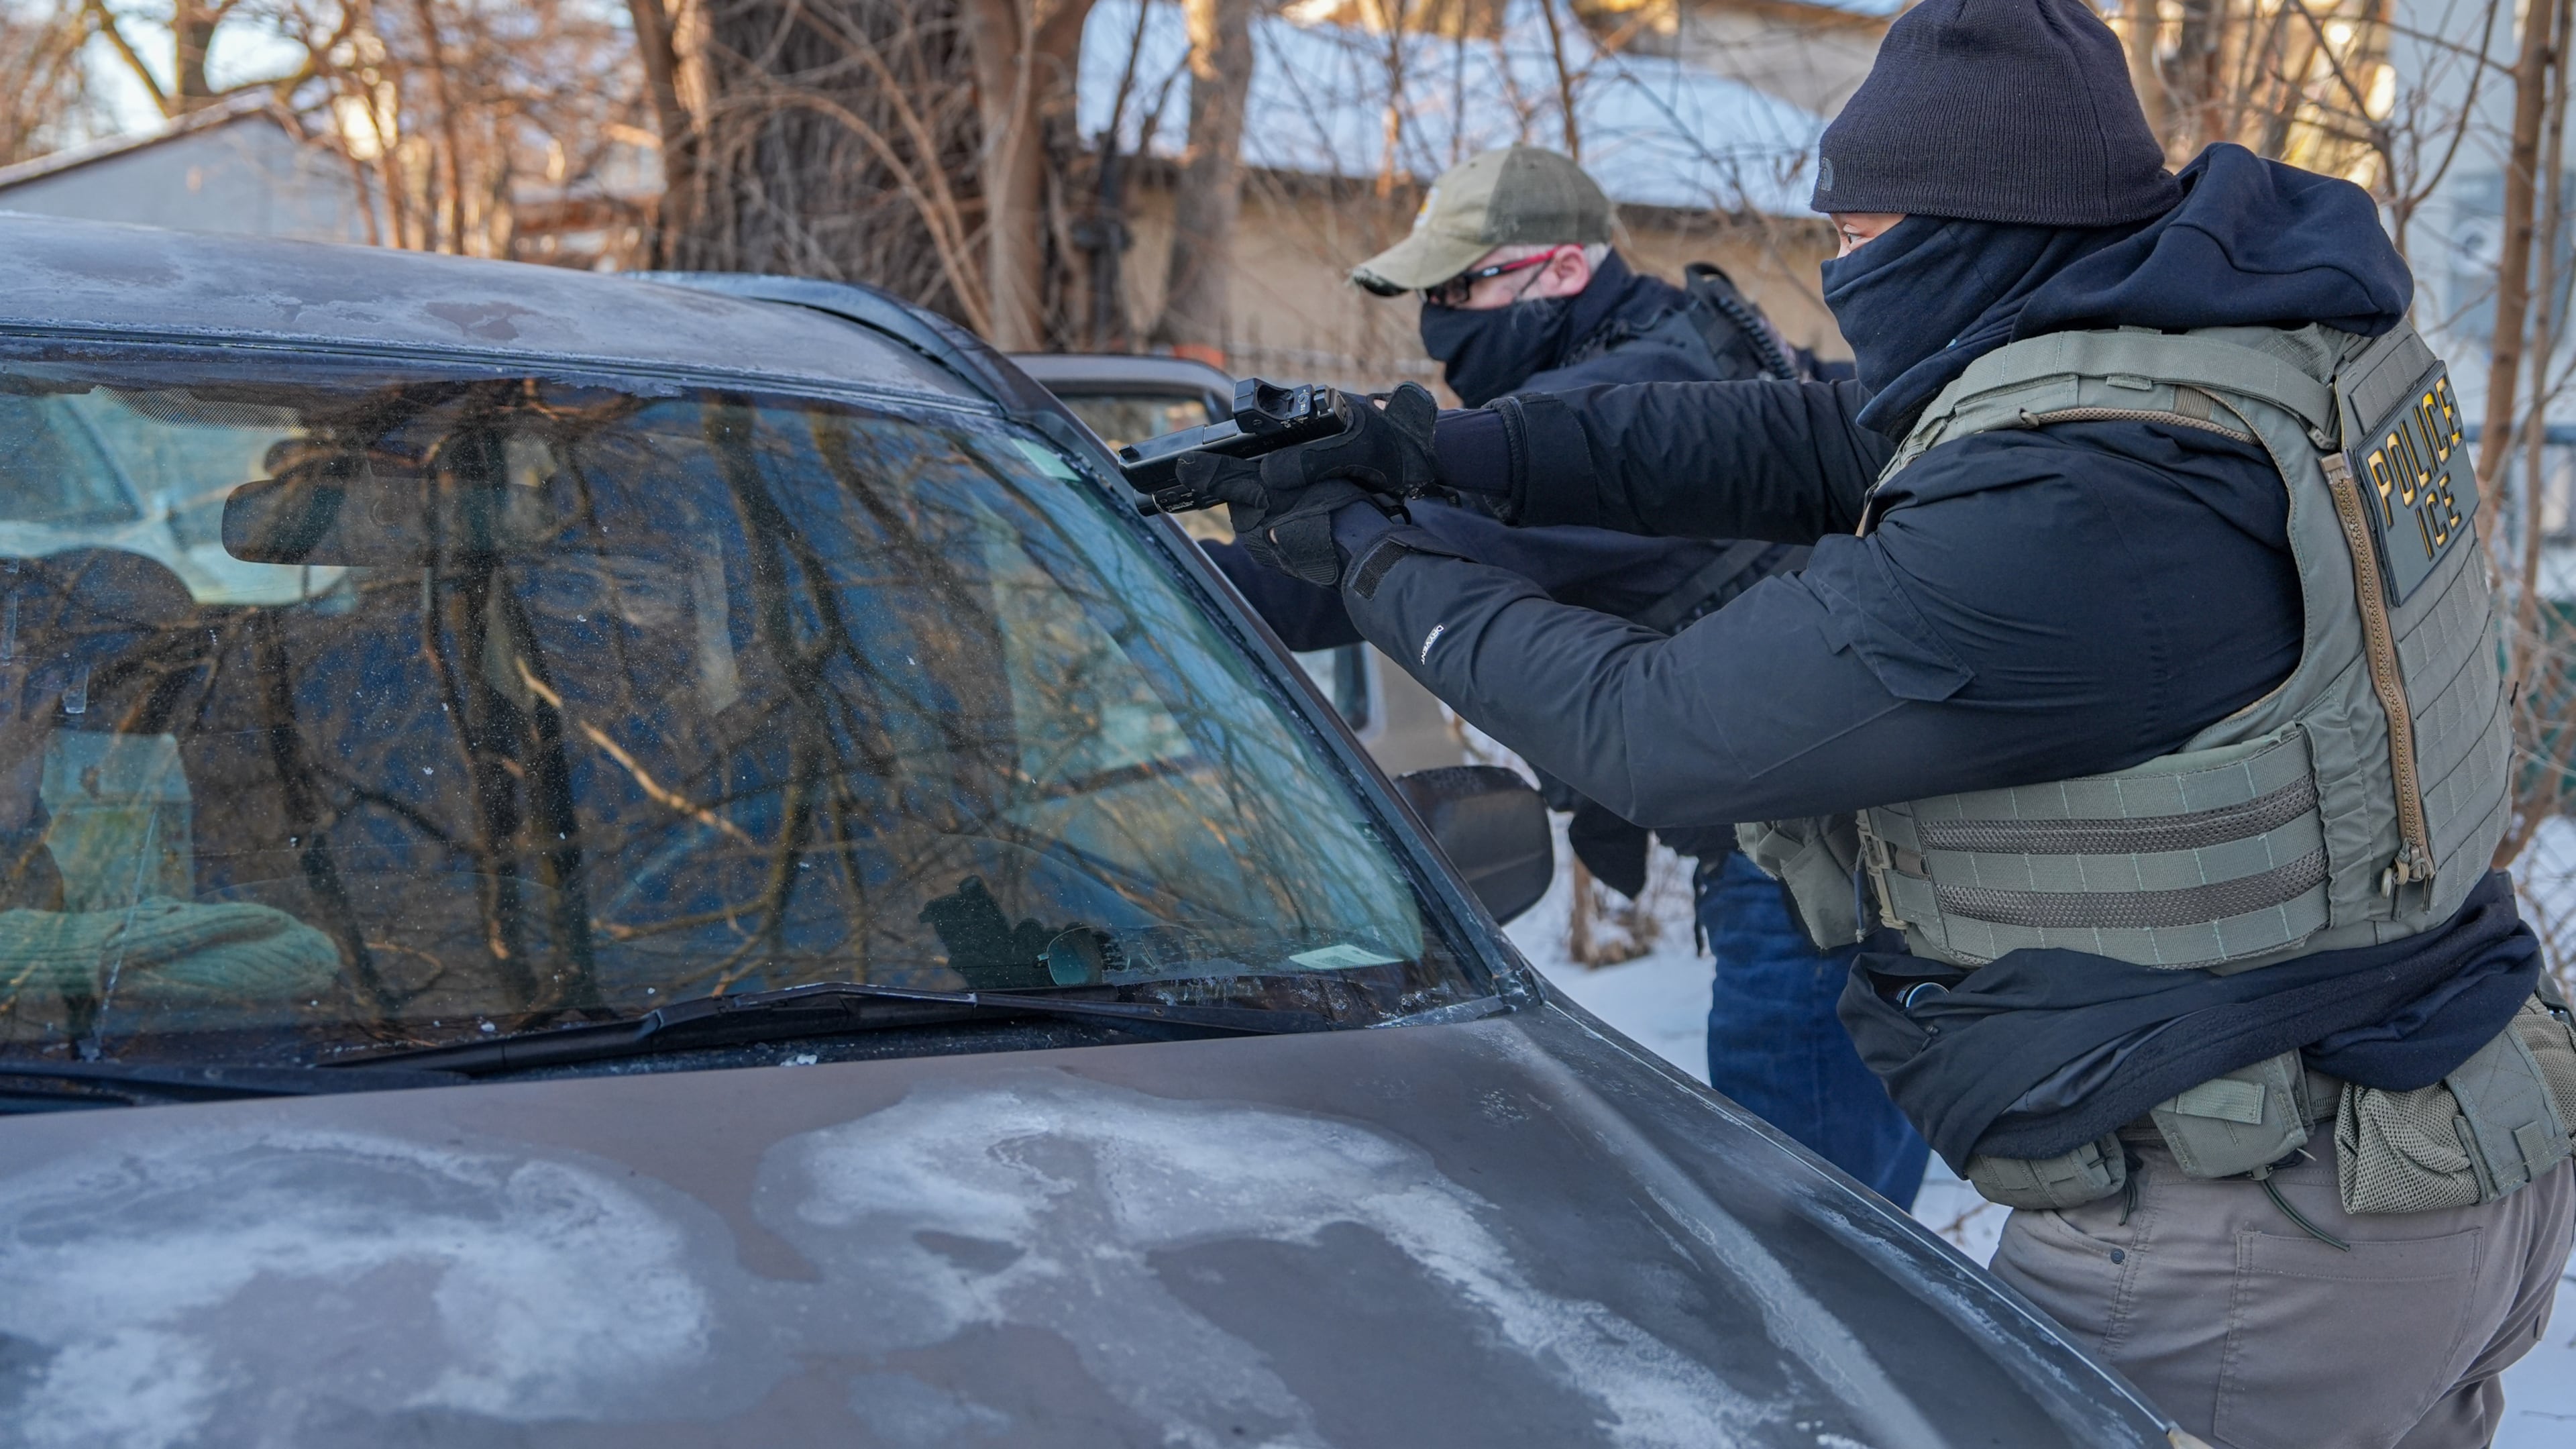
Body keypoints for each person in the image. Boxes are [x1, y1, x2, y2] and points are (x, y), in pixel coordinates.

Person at [1162, 1, 2576, 1442]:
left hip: (2254, 1234)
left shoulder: (2076, 514)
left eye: (1857, 236)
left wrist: (1375, 559)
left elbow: (1655, 731)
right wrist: (1441, 449)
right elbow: (1809, 433)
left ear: (1976, 225)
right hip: (2424, 1146)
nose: (1840, 273)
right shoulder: (2217, 341)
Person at [1200, 144, 1930, 1205]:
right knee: (1851, 1216)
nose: (1442, 317)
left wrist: (1127, 564)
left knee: (1808, 1230)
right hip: (1842, 846)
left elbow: (1367, 567)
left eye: (1464, 285)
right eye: (1430, 292)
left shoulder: (1635, 394)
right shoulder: (1677, 346)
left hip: (1812, 872)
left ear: (1563, 271)